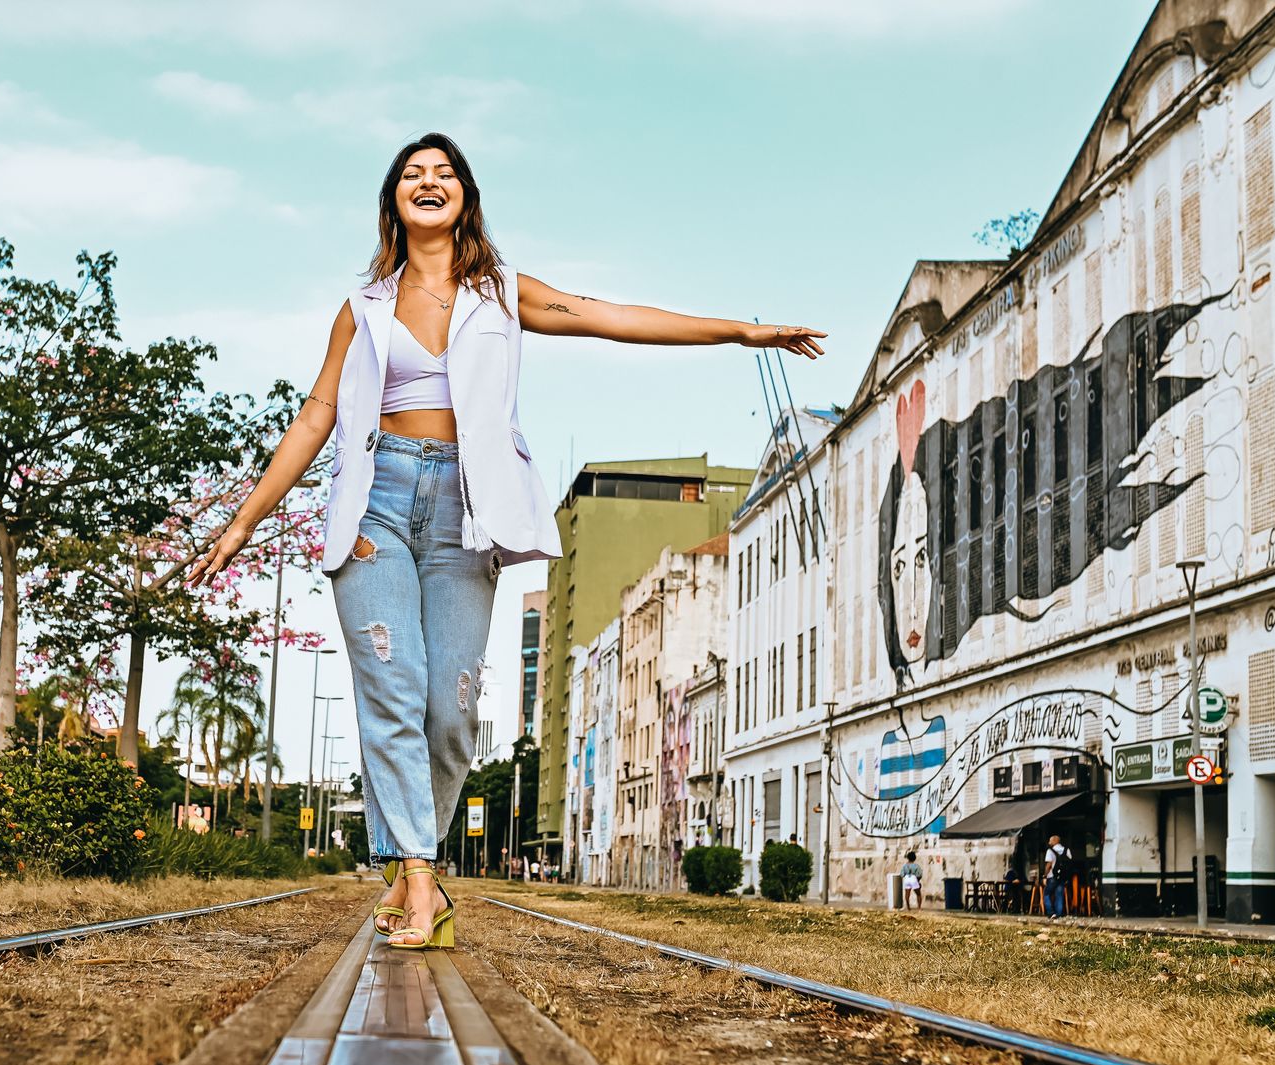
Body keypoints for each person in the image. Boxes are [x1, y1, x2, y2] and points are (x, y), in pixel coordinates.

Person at [186, 133, 825, 951]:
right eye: (413, 174)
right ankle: (420, 878)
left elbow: (608, 315)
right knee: (392, 683)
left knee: (449, 711)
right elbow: (317, 415)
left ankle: (405, 856)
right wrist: (245, 519)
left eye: (443, 173)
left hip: (466, 507)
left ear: (464, 197)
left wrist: (741, 332)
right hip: (375, 505)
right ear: (393, 202)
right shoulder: (363, 310)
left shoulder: (501, 294)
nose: (428, 181)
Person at [1042, 834, 1070, 919]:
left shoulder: (1050, 851)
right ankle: (1058, 914)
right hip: (1062, 877)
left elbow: (1048, 865)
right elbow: (1070, 862)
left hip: (1052, 877)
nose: (1049, 842)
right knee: (1059, 895)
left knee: (1046, 894)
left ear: (1054, 841)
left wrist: (1045, 876)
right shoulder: (1066, 850)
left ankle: (1051, 912)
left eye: (1050, 841)